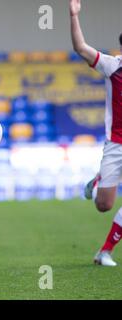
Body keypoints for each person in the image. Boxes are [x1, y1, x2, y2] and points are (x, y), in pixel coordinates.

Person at [70, 0, 122, 266]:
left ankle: (104, 252)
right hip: (116, 144)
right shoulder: (113, 66)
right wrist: (74, 15)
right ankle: (100, 178)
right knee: (104, 205)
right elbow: (80, 48)